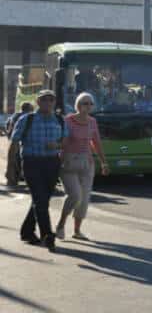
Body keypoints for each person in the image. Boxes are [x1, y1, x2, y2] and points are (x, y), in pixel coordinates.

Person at [10, 89, 68, 252]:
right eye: (44, 100)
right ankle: (47, 235)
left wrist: (56, 146)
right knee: (40, 199)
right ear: (37, 102)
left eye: (51, 100)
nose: (48, 103)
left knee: (41, 199)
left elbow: (65, 142)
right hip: (31, 163)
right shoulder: (26, 120)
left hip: (52, 163)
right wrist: (10, 170)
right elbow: (14, 142)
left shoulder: (59, 120)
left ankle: (27, 232)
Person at [55, 93, 109, 241]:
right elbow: (61, 141)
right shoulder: (67, 121)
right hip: (68, 162)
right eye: (85, 103)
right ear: (78, 105)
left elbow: (96, 142)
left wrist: (104, 162)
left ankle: (77, 231)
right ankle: (61, 224)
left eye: (91, 103)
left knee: (84, 199)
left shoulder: (92, 121)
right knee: (75, 196)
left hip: (87, 164)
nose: (88, 106)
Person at [5, 102, 33, 186]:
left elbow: (8, 126)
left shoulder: (14, 115)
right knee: (23, 159)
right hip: (23, 141)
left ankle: (12, 179)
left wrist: (9, 135)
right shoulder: (28, 116)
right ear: (29, 108)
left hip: (13, 140)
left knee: (13, 160)